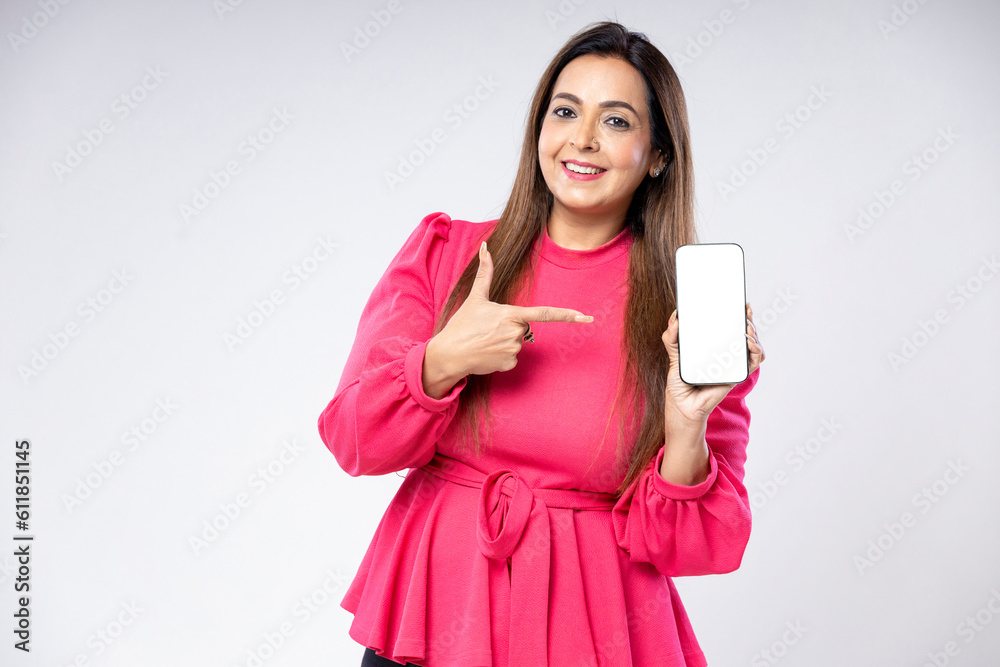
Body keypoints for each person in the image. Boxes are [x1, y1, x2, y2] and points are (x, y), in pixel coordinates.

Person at [318, 20, 766, 667]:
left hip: (594, 633)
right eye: (565, 111)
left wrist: (687, 423)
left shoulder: (687, 319)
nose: (582, 138)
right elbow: (352, 439)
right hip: (431, 619)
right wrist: (444, 360)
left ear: (659, 154)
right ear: (539, 130)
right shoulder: (448, 255)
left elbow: (697, 546)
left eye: (616, 121)